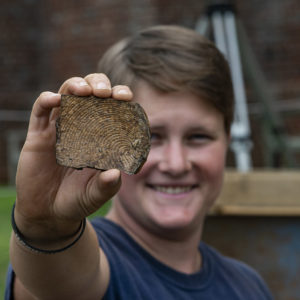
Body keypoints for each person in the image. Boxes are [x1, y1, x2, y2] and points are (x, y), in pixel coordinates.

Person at [5, 25, 273, 299]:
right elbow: (58, 281)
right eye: (152, 136)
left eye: (198, 137)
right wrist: (48, 230)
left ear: (227, 140)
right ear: (105, 142)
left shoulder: (248, 285)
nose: (176, 164)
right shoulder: (100, 263)